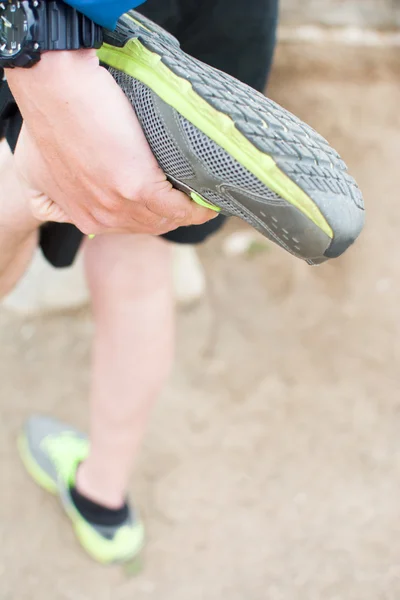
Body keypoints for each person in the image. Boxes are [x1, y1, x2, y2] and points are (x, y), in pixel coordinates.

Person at [0, 0, 278, 564]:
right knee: (142, 251)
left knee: (20, 184)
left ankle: (22, 198)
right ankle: (104, 502)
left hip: (66, 20)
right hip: (227, 13)